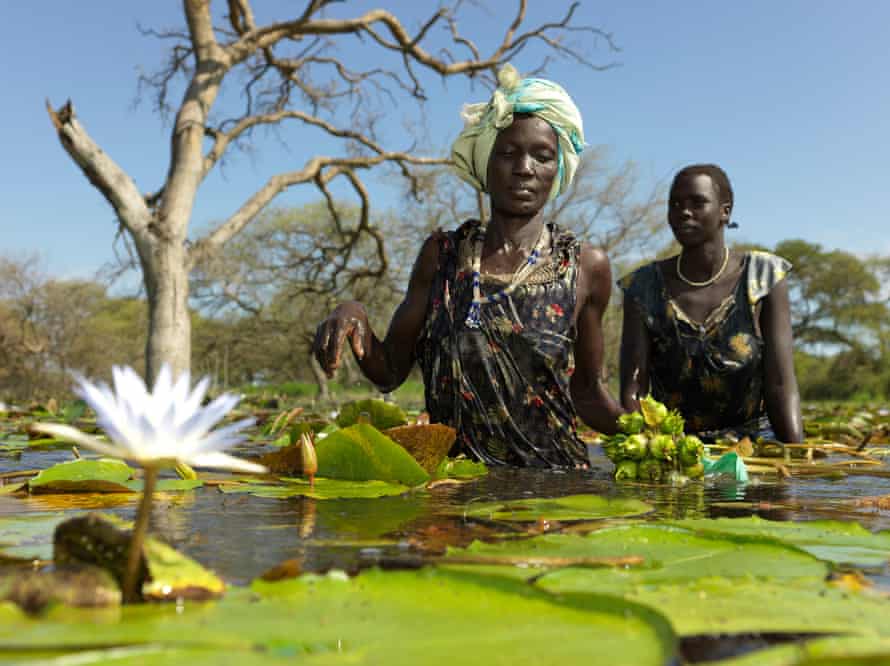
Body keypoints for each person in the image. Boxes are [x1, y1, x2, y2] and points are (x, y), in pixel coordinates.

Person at [313, 64, 622, 468]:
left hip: (553, 490)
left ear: (557, 168)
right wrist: (353, 314)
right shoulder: (441, 257)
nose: (525, 168)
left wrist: (654, 438)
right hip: (455, 489)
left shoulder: (584, 267)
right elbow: (389, 372)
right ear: (486, 163)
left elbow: (587, 394)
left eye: (542, 156)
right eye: (508, 153)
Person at [619, 164, 803, 443]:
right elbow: (635, 388)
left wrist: (795, 455)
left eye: (698, 202)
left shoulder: (763, 276)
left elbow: (780, 382)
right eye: (675, 204)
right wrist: (650, 448)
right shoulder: (642, 286)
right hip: (677, 447)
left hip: (753, 445)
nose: (684, 211)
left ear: (724, 211)